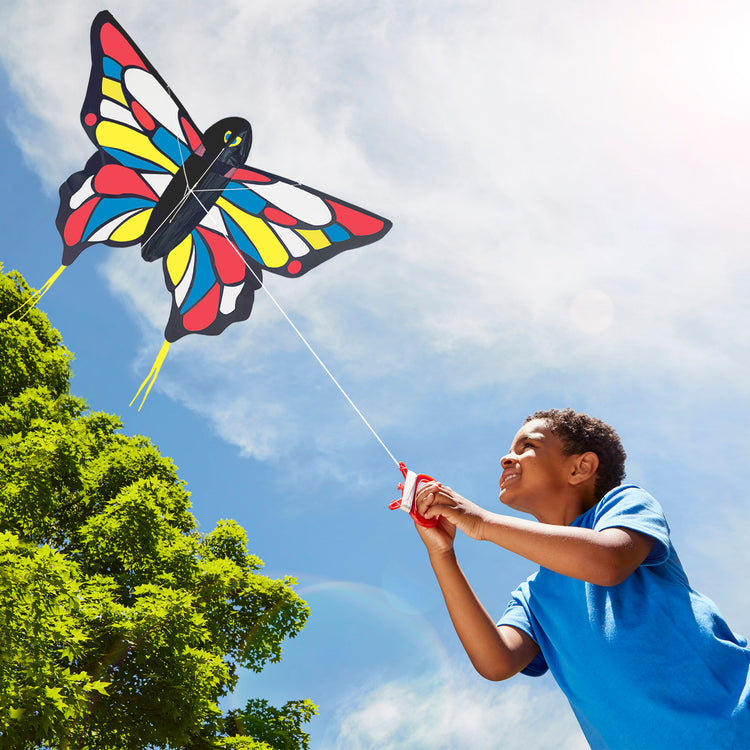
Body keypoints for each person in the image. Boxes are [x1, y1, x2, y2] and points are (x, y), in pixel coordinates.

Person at [414, 408, 750, 750]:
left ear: (581, 468)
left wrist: (483, 523)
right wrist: (443, 554)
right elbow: (496, 662)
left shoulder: (624, 503)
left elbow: (608, 562)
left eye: (526, 446)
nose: (506, 458)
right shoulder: (532, 597)